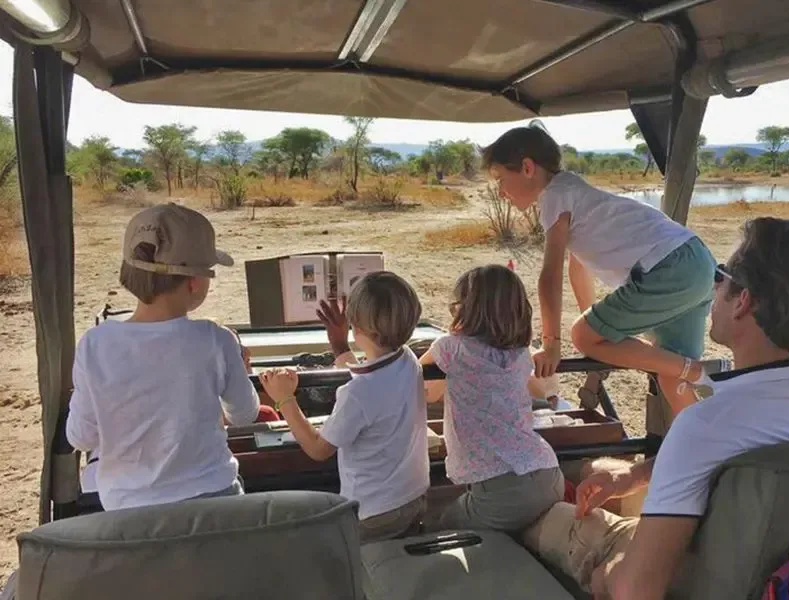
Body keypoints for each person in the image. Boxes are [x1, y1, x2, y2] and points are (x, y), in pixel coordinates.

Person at [521, 217, 789, 599]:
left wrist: (606, 575)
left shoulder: (705, 425)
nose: (714, 287)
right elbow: (752, 445)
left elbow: (634, 591)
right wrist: (634, 475)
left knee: (549, 521)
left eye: (720, 276)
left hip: (703, 576)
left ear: (744, 302)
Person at [481, 124, 718, 416]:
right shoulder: (576, 192)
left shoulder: (554, 196)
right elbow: (576, 268)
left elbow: (550, 275)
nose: (501, 192)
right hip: (696, 260)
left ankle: (694, 370)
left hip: (667, 267)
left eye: (501, 179)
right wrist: (595, 323)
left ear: (527, 167)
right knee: (670, 372)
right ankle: (704, 445)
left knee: (582, 336)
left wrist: (552, 344)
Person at [66, 203, 260, 511]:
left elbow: (81, 437)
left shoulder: (94, 344)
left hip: (126, 511)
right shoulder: (217, 339)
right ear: (194, 282)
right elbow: (244, 414)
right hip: (215, 502)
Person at [259, 272, 429, 543]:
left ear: (357, 326)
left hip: (374, 513)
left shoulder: (357, 394)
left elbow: (318, 449)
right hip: (412, 496)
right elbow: (371, 380)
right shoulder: (407, 360)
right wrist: (339, 345)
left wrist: (284, 399)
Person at [420, 264, 564, 533]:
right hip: (548, 472)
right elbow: (540, 391)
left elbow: (424, 391)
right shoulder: (521, 354)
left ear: (464, 309)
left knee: (435, 526)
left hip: (501, 491)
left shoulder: (450, 348)